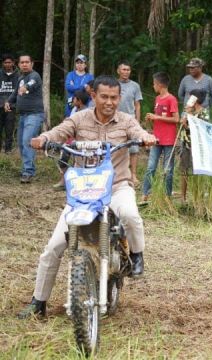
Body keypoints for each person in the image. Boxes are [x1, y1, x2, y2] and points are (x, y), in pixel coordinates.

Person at [19, 76, 157, 318]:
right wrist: (44, 139)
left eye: (114, 98)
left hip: (116, 187)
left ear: (119, 98)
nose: (109, 102)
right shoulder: (79, 118)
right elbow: (61, 131)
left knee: (130, 215)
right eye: (104, 96)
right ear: (93, 96)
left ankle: (136, 255)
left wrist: (146, 137)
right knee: (53, 247)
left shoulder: (126, 121)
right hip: (83, 192)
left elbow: (138, 130)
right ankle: (38, 302)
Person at [5, 54, 45, 183]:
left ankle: (27, 172)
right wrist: (8, 102)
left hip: (34, 114)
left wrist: (25, 87)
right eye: (22, 62)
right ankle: (28, 169)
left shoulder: (34, 76)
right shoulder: (21, 77)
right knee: (22, 144)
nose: (24, 64)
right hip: (23, 115)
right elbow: (15, 92)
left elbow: (31, 84)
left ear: (32, 63)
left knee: (27, 141)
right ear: (18, 65)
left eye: (27, 62)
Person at [142, 72, 179, 201]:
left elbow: (176, 119)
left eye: (154, 84)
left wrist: (156, 117)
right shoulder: (157, 99)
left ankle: (167, 196)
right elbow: (160, 118)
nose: (153, 86)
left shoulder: (171, 99)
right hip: (156, 138)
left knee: (167, 169)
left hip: (169, 139)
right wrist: (151, 119)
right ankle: (145, 194)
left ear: (159, 84)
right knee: (151, 167)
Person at [116, 61, 144, 186]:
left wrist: (137, 122)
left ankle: (133, 175)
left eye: (128, 70)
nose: (126, 72)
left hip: (131, 119)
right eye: (123, 69)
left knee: (134, 149)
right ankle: (119, 175)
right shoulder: (114, 84)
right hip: (116, 120)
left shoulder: (135, 86)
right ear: (118, 71)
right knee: (118, 148)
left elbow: (137, 105)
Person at [179, 89, 209, 202]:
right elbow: (182, 126)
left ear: (195, 100)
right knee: (184, 170)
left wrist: (187, 125)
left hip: (197, 146)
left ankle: (197, 197)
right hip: (186, 144)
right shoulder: (188, 111)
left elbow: (200, 129)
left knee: (197, 172)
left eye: (191, 97)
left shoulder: (203, 113)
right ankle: (183, 197)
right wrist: (185, 119)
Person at [0, 53, 18, 153]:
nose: (7, 64)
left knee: (9, 129)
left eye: (9, 62)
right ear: (3, 63)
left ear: (13, 63)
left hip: (12, 106)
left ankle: (8, 150)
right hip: (0, 105)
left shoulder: (18, 75)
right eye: (5, 62)